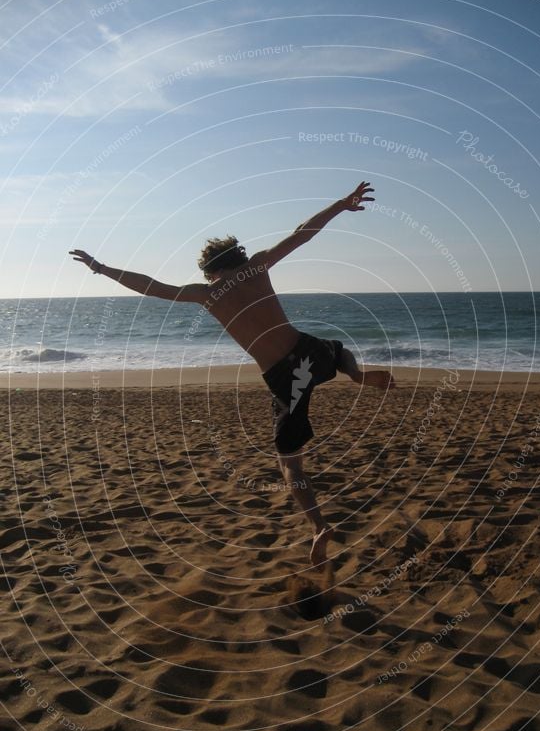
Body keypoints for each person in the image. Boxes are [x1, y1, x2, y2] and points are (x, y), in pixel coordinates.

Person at [70, 181, 394, 566]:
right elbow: (302, 235)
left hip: (281, 378)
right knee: (338, 350)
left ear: (208, 270)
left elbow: (151, 287)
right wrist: (341, 204)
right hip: (306, 351)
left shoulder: (206, 294)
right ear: (237, 256)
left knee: (290, 463)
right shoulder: (257, 266)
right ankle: (356, 376)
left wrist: (100, 268)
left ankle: (318, 526)